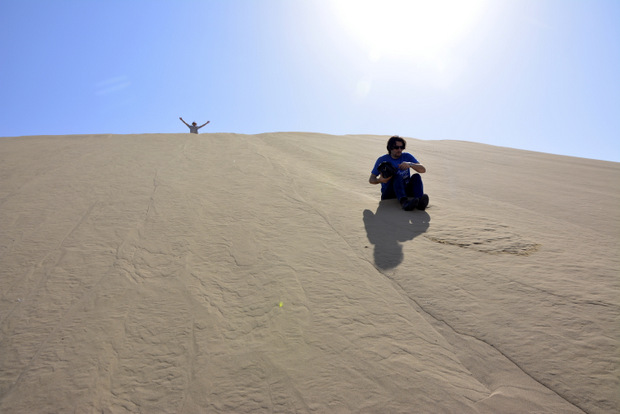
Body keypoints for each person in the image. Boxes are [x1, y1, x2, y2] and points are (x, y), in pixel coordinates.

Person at [369, 135, 429, 211]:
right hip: (389, 193)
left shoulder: (407, 156)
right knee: (396, 175)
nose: (399, 150)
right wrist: (380, 180)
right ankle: (404, 203)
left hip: (405, 189)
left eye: (402, 147)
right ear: (390, 148)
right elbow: (371, 179)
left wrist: (410, 164)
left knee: (416, 176)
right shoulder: (382, 160)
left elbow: (423, 170)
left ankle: (419, 202)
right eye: (396, 147)